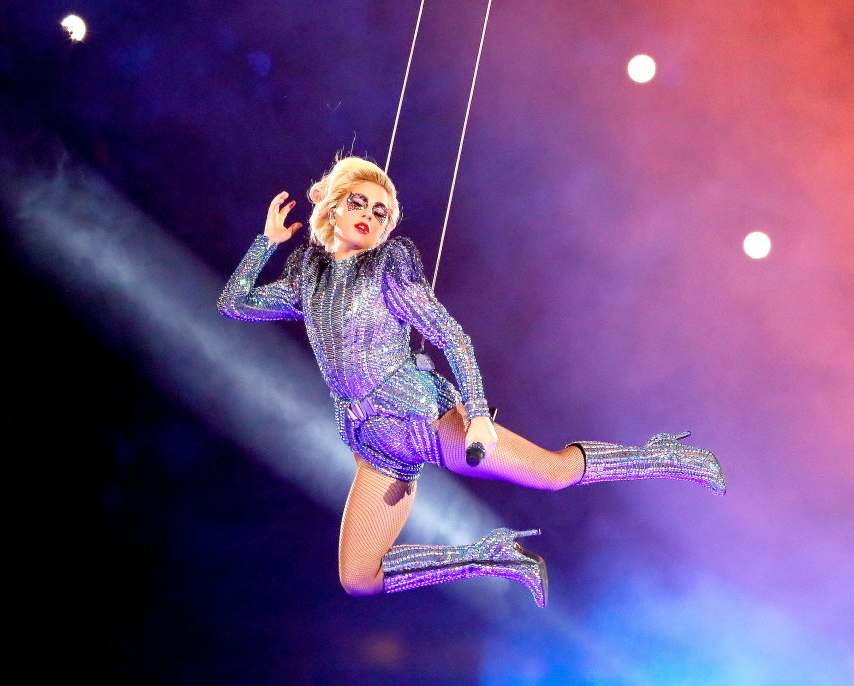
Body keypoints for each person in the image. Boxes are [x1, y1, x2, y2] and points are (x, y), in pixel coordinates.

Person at [217, 155, 725, 607]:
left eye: (380, 212)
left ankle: (667, 456)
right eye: (359, 203)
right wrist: (266, 243)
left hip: (425, 419)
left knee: (552, 473)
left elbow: (451, 337)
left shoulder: (388, 267)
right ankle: (492, 556)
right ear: (331, 207)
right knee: (359, 578)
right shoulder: (309, 273)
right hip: (374, 445)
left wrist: (477, 415)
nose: (370, 216)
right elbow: (235, 304)